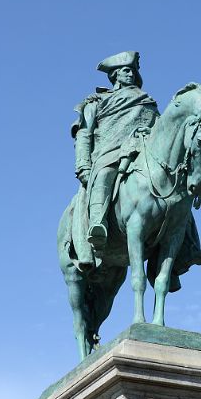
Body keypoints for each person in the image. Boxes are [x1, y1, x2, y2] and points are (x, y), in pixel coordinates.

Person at [70, 51, 159, 268]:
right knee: (105, 174)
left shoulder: (146, 101)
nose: (131, 74)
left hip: (142, 153)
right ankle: (98, 225)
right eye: (126, 70)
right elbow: (84, 133)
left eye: (133, 71)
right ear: (115, 75)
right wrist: (83, 164)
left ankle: (187, 246)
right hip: (108, 154)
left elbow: (160, 129)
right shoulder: (96, 102)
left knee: (172, 190)